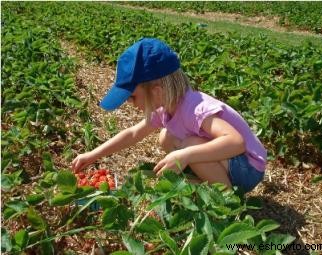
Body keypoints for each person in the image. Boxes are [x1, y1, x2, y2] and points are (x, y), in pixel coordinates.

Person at [71, 38, 266, 192]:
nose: (130, 104)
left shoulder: (195, 108)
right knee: (166, 137)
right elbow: (133, 134)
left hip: (247, 168)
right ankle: (204, 178)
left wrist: (185, 155)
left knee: (188, 145)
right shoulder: (165, 107)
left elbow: (236, 141)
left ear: (156, 91)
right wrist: (93, 155)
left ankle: (226, 198)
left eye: (132, 97)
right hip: (230, 161)